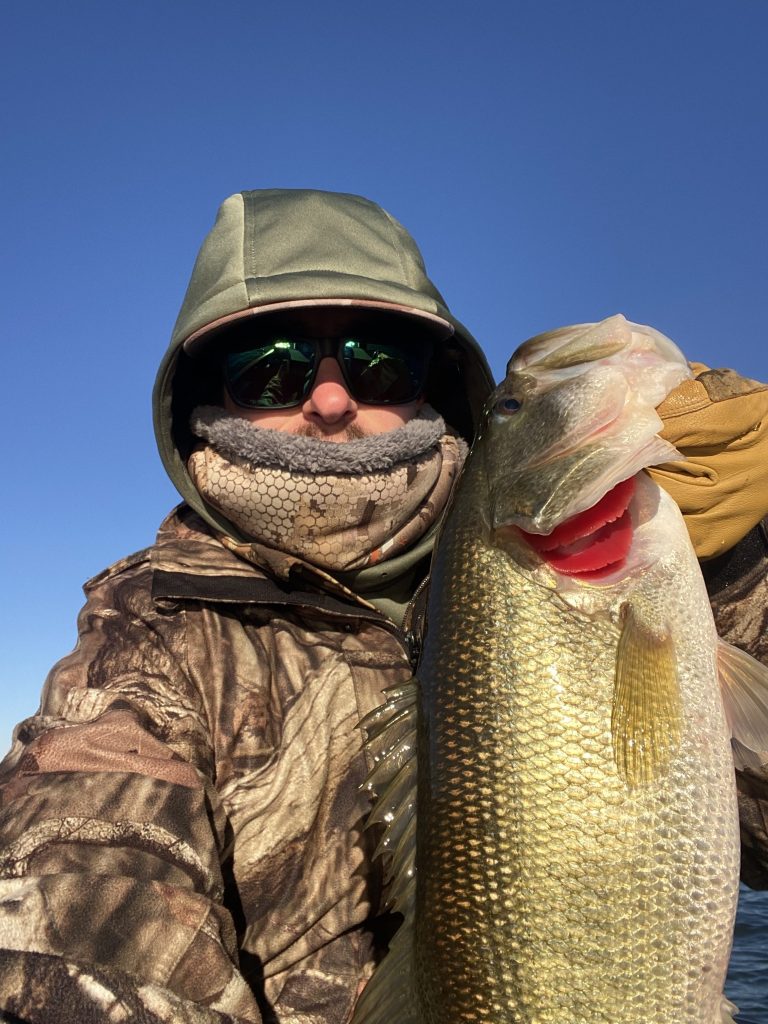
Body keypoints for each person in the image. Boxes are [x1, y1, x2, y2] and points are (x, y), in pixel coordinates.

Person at [0, 188, 766, 1024]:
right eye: (271, 368)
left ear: (433, 385)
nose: (331, 399)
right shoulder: (149, 630)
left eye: (379, 362)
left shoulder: (621, 559)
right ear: (207, 400)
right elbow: (69, 908)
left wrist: (729, 569)